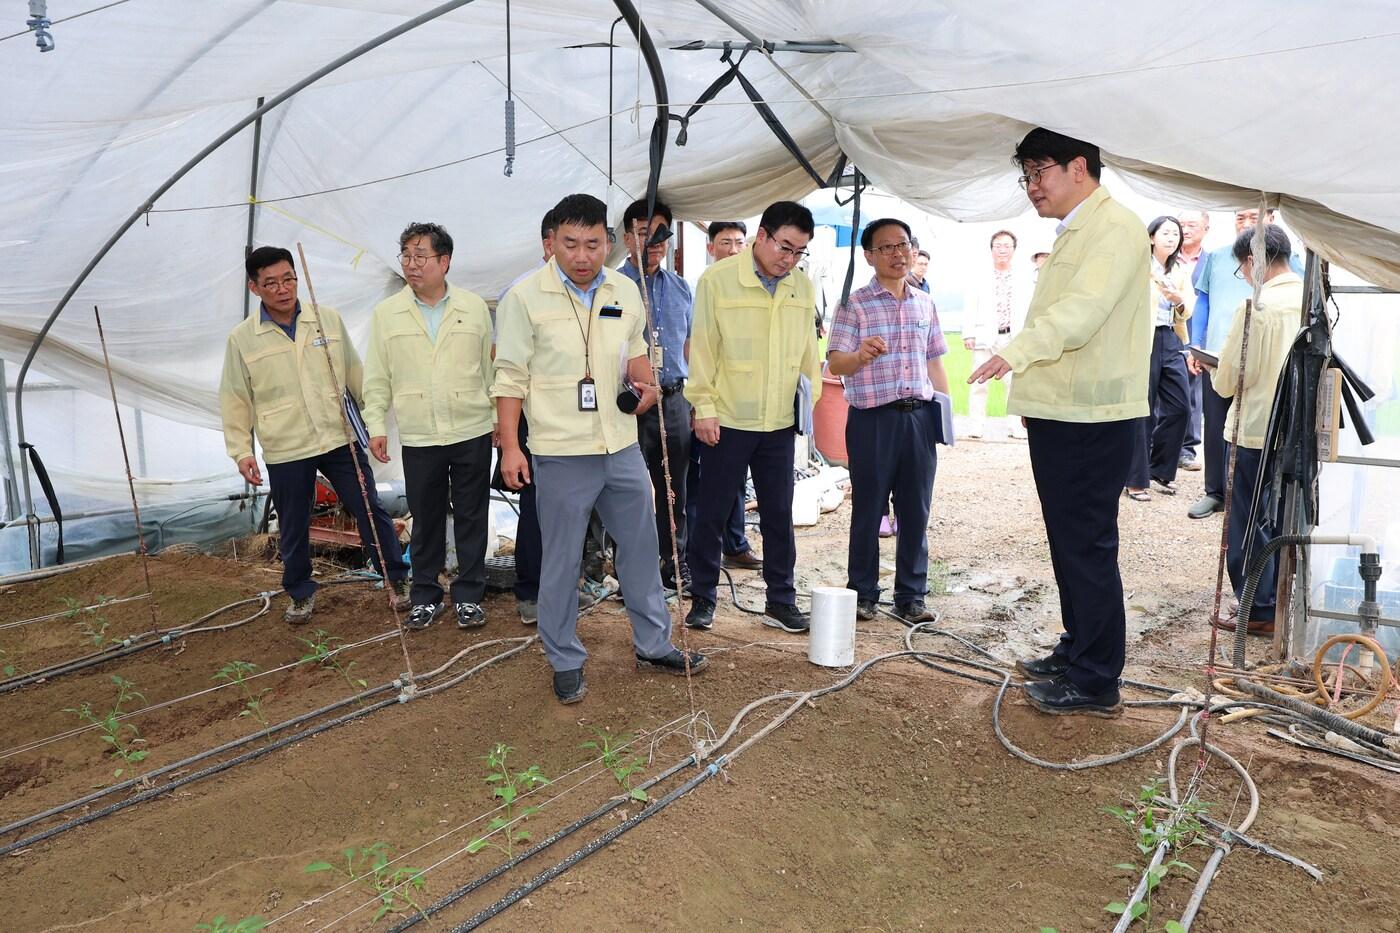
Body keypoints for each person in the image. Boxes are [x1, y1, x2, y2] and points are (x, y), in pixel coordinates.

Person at [492, 193, 706, 704]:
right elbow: (509, 378)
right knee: (562, 560)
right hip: (561, 451)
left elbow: (634, 357)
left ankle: (653, 644)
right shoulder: (524, 298)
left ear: (608, 244)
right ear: (551, 244)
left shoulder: (624, 292)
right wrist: (510, 448)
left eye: (593, 244)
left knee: (641, 548)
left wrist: (646, 383)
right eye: (571, 243)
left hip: (620, 446)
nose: (582, 255)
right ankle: (564, 657)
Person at [968, 128, 1151, 717]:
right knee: (1069, 542)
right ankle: (1079, 649)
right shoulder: (1078, 229)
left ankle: (1097, 680)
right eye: (1025, 177)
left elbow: (1081, 314)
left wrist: (1015, 352)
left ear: (1079, 166)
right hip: (1062, 412)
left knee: (1087, 545)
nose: (1032, 188)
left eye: (1038, 173)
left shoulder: (1114, 227)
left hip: (1091, 416)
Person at [221, 246, 410, 623]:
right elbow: (235, 398)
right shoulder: (243, 339)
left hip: (338, 436)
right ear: (254, 288)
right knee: (293, 521)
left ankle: (396, 580)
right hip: (286, 445)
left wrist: (374, 428)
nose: (283, 288)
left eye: (288, 278)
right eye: (271, 283)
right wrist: (242, 451)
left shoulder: (327, 320)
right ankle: (301, 592)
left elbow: (357, 377)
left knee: (369, 507)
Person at [684, 201, 823, 634]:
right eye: (785, 247)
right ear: (762, 236)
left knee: (779, 514)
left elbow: (807, 356)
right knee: (712, 512)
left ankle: (780, 600)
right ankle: (703, 598)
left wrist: (807, 404)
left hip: (779, 422)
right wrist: (703, 408)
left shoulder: (801, 285)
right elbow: (703, 349)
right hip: (727, 419)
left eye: (799, 251)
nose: (790, 258)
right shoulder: (718, 280)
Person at [362, 223, 493, 631]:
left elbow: (489, 371)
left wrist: (498, 426)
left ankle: (469, 596)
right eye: (406, 256)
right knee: (426, 516)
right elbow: (377, 376)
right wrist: (376, 425)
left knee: (473, 515)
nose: (411, 265)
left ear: (444, 261)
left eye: (421, 256)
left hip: (471, 427)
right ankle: (426, 595)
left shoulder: (473, 308)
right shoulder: (387, 314)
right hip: (420, 432)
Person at [827, 218, 949, 623]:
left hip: (918, 420)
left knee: (916, 510)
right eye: (887, 248)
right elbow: (836, 361)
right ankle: (862, 592)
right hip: (872, 420)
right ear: (869, 256)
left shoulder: (924, 303)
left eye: (904, 245)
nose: (898, 254)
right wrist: (859, 355)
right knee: (869, 508)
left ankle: (911, 596)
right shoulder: (853, 303)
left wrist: (944, 416)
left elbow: (934, 361)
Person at [1209, 225, 1302, 636]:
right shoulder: (1311, 300)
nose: (1244, 277)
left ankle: (1258, 606)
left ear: (1254, 261)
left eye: (1242, 269)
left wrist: (1215, 369)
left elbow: (1229, 379)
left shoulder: (1257, 308)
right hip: (1298, 430)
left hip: (1255, 428)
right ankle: (1282, 599)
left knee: (1248, 520)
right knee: (1286, 518)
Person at [618, 197, 693, 592]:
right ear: (627, 237)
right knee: (628, 489)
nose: (654, 241)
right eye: (645, 232)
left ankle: (674, 562)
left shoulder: (682, 288)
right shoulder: (611, 287)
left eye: (661, 233)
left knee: (674, 488)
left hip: (675, 399)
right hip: (629, 403)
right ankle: (629, 566)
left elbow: (691, 348)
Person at [1187, 208, 1280, 519]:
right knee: (1214, 423)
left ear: (1271, 218)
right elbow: (1203, 301)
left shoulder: (1282, 256)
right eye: (1239, 216)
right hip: (1216, 354)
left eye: (1253, 215)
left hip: (1262, 354)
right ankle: (1215, 492)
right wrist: (1196, 344)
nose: (1245, 222)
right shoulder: (1216, 256)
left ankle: (1250, 495)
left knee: (1255, 424)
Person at [685, 221, 762, 572]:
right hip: (703, 400)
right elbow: (694, 347)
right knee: (702, 482)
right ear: (709, 247)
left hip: (743, 404)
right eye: (725, 242)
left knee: (737, 479)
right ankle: (699, 554)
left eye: (739, 242)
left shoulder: (752, 288)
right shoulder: (701, 287)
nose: (733, 249)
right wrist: (700, 403)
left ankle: (736, 542)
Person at [1124, 216, 1193, 501]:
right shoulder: (1139, 266)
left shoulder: (1180, 269)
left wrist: (1178, 300)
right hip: (1143, 338)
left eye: (1175, 234)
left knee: (1181, 407)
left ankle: (1160, 470)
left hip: (1171, 338)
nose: (1171, 238)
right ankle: (1135, 479)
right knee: (1144, 408)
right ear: (1151, 237)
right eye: (1165, 233)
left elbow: (1187, 308)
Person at [963, 229, 1031, 439]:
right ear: (991, 249)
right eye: (998, 246)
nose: (1002, 250)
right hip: (984, 335)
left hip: (1013, 337)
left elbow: (1029, 306)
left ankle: (1015, 426)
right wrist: (968, 333)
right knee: (979, 382)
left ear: (1014, 250)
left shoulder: (1023, 276)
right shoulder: (980, 275)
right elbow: (970, 304)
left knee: (1013, 383)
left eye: (1007, 246)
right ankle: (976, 426)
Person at [1175, 209, 1210, 472]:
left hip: (1196, 328)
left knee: (1192, 390)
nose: (1186, 229)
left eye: (1192, 225)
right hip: (1167, 328)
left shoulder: (1211, 260)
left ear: (1206, 229)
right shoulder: (1163, 259)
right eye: (1182, 224)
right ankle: (1157, 446)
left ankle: (1187, 448)